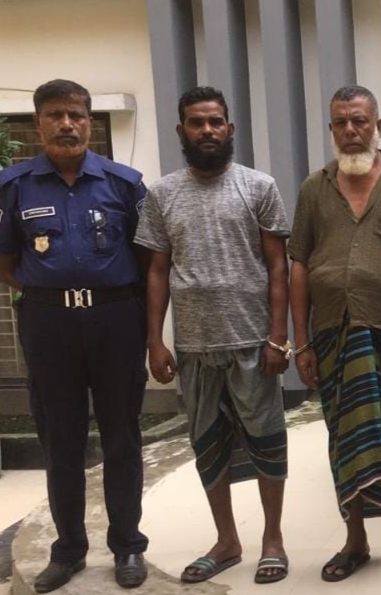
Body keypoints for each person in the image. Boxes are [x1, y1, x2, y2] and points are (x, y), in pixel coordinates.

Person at [136, 87, 291, 584]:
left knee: (268, 441)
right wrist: (155, 341)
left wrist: (278, 337)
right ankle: (226, 541)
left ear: (230, 128)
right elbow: (157, 270)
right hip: (194, 347)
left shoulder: (259, 186)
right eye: (196, 122)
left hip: (252, 342)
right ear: (181, 130)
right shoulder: (162, 194)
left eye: (215, 122)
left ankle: (273, 539)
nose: (207, 130)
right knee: (207, 446)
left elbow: (278, 266)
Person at [0, 79, 149, 591]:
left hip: (115, 320)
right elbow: (6, 261)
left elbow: (147, 260)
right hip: (49, 325)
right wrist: (51, 290)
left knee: (122, 436)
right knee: (60, 439)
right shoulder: (14, 187)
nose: (68, 124)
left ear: (89, 121)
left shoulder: (124, 184)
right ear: (38, 122)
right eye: (56, 115)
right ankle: (68, 551)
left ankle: (128, 546)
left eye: (77, 115)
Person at [288, 85, 381, 581]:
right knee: (344, 435)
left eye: (359, 121)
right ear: (332, 129)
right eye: (341, 123)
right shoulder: (314, 188)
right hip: (332, 332)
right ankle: (354, 540)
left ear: (378, 126)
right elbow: (298, 266)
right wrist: (301, 342)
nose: (350, 131)